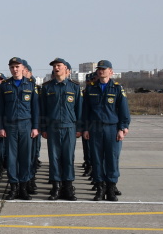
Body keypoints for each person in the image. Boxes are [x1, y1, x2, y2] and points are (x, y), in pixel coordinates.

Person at [82, 60, 130, 202]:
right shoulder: (91, 89)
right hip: (95, 129)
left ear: (111, 71)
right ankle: (100, 188)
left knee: (112, 159)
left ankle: (111, 188)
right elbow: (86, 112)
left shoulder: (117, 88)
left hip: (112, 128)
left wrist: (123, 128)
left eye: (104, 69)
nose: (101, 71)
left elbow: (124, 111)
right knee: (96, 159)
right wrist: (85, 128)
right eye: (99, 69)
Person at [0, 57, 40, 201]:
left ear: (22, 68)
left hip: (26, 125)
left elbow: (35, 109)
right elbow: (0, 110)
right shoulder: (5, 86)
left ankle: (23, 187)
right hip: (10, 126)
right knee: (11, 158)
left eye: (17, 66)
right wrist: (1, 127)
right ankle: (13, 187)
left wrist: (35, 127)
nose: (15, 69)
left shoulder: (31, 85)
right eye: (12, 67)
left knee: (25, 157)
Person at [39, 58, 81, 201]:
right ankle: (56, 187)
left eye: (59, 66)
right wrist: (43, 128)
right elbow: (43, 110)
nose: (56, 68)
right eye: (54, 66)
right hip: (53, 127)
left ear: (66, 68)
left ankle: (68, 187)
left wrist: (79, 128)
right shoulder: (47, 87)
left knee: (68, 158)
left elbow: (79, 109)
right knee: (54, 158)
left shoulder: (74, 87)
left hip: (69, 127)